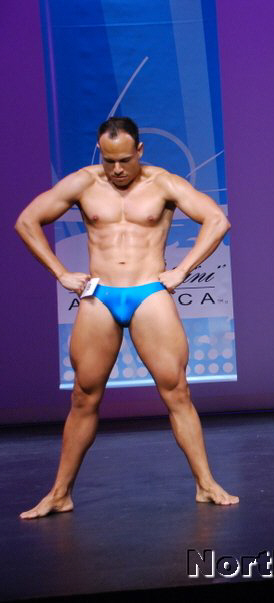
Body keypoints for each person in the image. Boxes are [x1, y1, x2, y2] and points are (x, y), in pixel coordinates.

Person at [15, 117, 238, 518]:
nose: (117, 169)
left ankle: (206, 484)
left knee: (177, 392)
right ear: (100, 153)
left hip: (148, 293)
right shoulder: (83, 182)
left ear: (139, 151)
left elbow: (217, 220)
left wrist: (181, 270)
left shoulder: (163, 183)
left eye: (124, 160)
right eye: (109, 160)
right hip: (100, 295)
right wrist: (60, 273)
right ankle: (60, 494)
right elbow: (26, 221)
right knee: (83, 396)